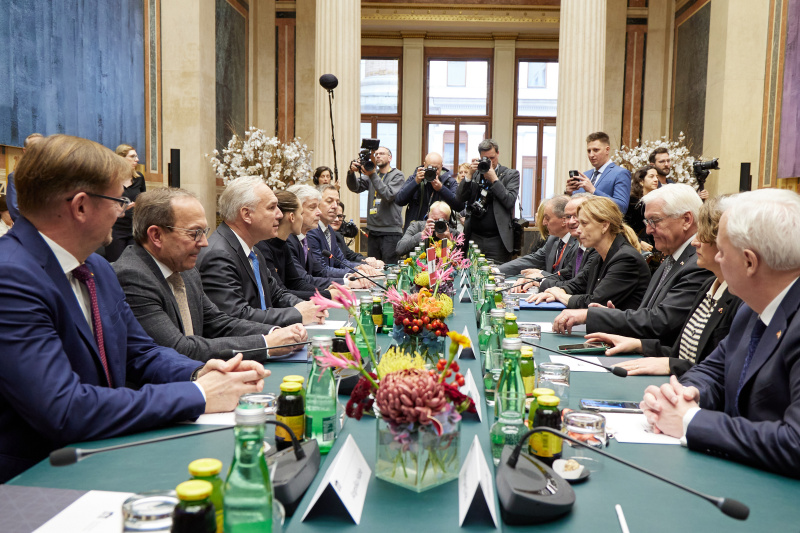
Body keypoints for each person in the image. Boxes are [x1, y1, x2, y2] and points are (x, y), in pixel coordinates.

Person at [0, 134, 268, 482]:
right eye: (118, 198)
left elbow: (140, 352)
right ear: (81, 206)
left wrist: (197, 372)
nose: (124, 209)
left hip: (106, 454)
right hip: (39, 479)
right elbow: (64, 408)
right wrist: (198, 394)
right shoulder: (11, 278)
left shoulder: (96, 268)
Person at [639, 189, 800, 477]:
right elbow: (712, 371)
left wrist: (691, 421)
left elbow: (795, 443)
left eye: (723, 252)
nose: (718, 260)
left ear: (750, 262)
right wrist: (685, 396)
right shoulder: (752, 306)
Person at [114, 188, 305, 362]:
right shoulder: (133, 276)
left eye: (204, 231)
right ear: (156, 236)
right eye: (195, 233)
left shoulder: (186, 270)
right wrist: (266, 344)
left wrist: (275, 333)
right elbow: (180, 349)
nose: (204, 242)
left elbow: (217, 322)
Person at [586, 196, 742, 376]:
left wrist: (672, 365)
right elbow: (686, 353)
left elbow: (722, 372)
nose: (694, 242)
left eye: (704, 234)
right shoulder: (708, 285)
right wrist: (640, 345)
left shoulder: (739, 299)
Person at [552, 184, 712, 345]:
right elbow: (646, 313)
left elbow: (662, 322)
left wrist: (592, 315)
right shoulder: (672, 259)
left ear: (686, 220)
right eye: (647, 221)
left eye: (654, 221)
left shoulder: (698, 264)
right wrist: (612, 317)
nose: (648, 230)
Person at [197, 176, 324, 327]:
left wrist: (307, 307)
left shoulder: (253, 250)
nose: (279, 214)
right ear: (246, 214)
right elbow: (237, 316)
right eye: (271, 208)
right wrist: (297, 314)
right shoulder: (218, 255)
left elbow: (276, 294)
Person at [527, 197, 650, 310]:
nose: (579, 230)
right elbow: (577, 285)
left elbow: (595, 302)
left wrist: (561, 296)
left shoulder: (625, 258)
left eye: (584, 224)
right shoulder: (600, 255)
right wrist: (555, 291)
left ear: (604, 226)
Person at [257, 190, 332, 300]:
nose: (302, 218)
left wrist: (326, 291)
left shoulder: (283, 244)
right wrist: (327, 295)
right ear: (292, 217)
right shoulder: (262, 247)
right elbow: (280, 293)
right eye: (301, 213)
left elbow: (296, 283)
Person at [456, 139, 520, 263]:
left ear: (498, 154)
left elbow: (509, 201)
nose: (490, 162)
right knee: (472, 276)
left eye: (492, 158)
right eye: (486, 159)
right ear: (480, 157)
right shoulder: (475, 174)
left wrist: (494, 179)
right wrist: (469, 175)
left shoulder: (510, 175)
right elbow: (459, 198)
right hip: (474, 237)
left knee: (496, 276)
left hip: (498, 240)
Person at [307, 185, 382, 280]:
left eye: (337, 202)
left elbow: (341, 261)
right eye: (329, 201)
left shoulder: (329, 229)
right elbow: (321, 270)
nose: (335, 206)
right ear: (316, 203)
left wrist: (361, 267)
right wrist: (357, 272)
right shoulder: (311, 231)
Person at [346, 145, 405, 264]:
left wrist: (372, 174)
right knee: (373, 268)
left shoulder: (397, 175)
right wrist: (351, 172)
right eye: (376, 154)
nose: (378, 155)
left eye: (382, 153)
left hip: (391, 232)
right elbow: (355, 187)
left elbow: (388, 195)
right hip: (373, 231)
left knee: (389, 268)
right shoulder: (373, 175)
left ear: (390, 158)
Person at [502, 195, 576, 279]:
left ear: (563, 221)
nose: (544, 223)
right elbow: (532, 260)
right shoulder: (553, 239)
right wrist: (496, 271)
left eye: (547, 218)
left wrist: (541, 274)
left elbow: (569, 279)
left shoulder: (578, 243)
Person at [538, 194, 598, 290]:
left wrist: (541, 283)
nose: (571, 221)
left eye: (577, 216)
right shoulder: (580, 247)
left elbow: (578, 285)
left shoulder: (597, 249)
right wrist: (535, 280)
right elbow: (564, 275)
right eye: (568, 216)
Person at [566, 131, 631, 213]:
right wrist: (569, 193)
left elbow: (621, 207)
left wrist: (593, 191)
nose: (591, 155)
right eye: (589, 151)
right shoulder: (585, 175)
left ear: (607, 150)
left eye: (595, 150)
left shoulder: (620, 173)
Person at [395, 152, 462, 230]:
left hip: (440, 230)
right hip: (416, 229)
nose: (433, 171)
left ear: (441, 166)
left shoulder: (449, 182)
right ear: (424, 165)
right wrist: (415, 182)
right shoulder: (414, 178)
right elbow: (399, 200)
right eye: (430, 167)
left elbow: (459, 206)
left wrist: (441, 188)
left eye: (436, 168)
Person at [104, 144, 146, 262]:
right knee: (116, 264)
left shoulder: (139, 178)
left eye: (136, 156)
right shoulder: (110, 179)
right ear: (121, 158)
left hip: (134, 228)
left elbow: (143, 197)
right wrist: (119, 206)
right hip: (116, 229)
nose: (137, 159)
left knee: (135, 263)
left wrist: (138, 204)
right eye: (132, 156)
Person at [6, 132, 43, 222]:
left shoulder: (54, 174)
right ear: (25, 151)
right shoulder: (16, 177)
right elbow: (15, 211)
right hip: (31, 230)